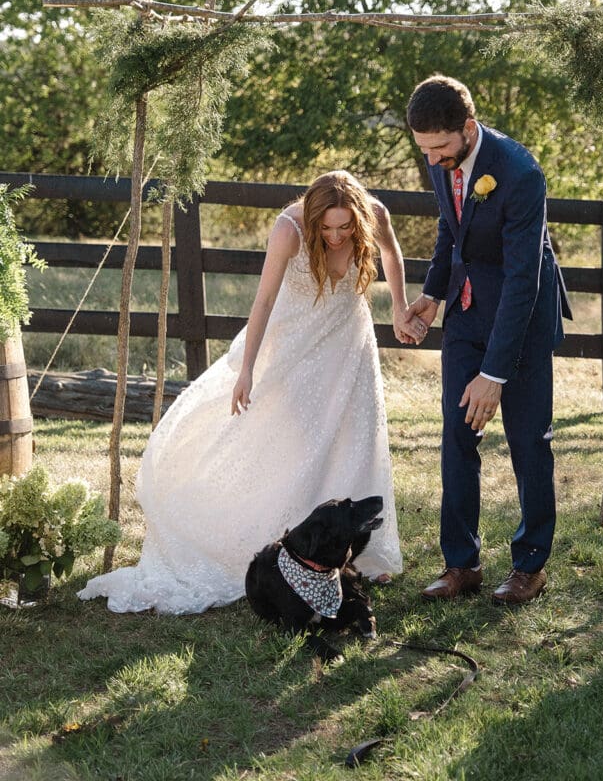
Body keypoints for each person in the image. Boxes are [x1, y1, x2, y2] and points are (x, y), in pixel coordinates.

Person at [79, 171, 417, 614]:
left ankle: (360, 553)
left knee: (356, 436)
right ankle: (291, 543)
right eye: (327, 228)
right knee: (300, 444)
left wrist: (398, 306)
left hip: (349, 339)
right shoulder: (288, 229)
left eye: (345, 228)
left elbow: (391, 254)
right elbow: (262, 301)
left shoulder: (375, 214)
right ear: (313, 218)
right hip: (295, 346)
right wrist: (248, 370)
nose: (335, 237)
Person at [404, 75, 572, 605]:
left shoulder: (520, 173)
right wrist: (432, 296)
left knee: (528, 442)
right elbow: (450, 231)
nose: (433, 160)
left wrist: (494, 374)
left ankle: (529, 566)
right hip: (467, 318)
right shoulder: (442, 161)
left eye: (441, 148)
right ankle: (462, 564)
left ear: (469, 129)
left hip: (520, 318)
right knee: (456, 436)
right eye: (424, 149)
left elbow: (525, 278)